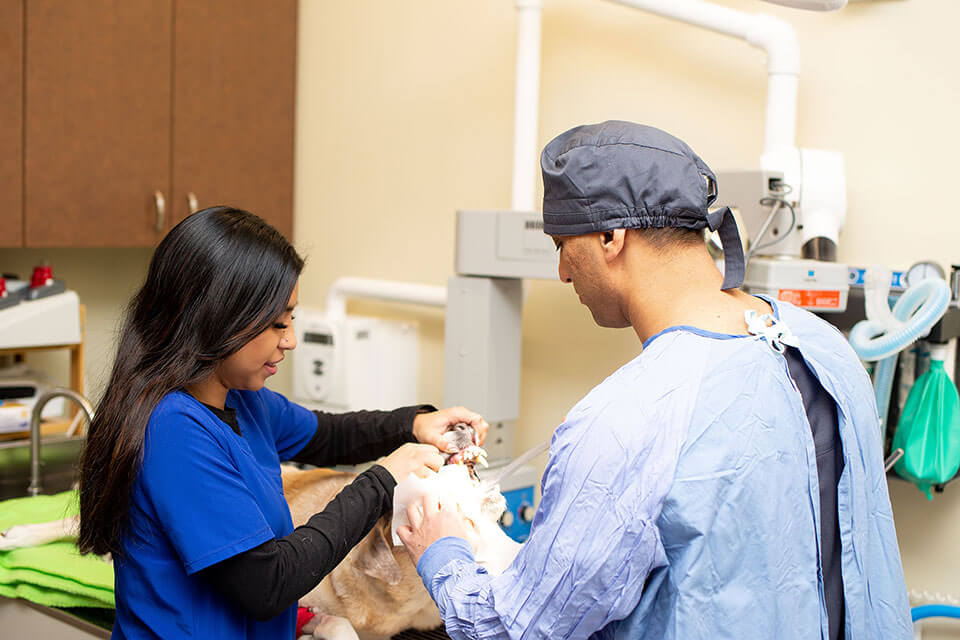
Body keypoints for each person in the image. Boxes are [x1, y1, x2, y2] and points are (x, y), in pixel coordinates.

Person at [398, 121, 913, 639]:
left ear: (609, 236)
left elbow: (516, 632)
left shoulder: (627, 419)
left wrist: (442, 553)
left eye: (561, 245)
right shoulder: (826, 346)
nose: (562, 272)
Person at [77, 206, 488, 638]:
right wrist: (383, 479)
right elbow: (267, 584)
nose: (290, 340)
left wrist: (416, 423)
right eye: (277, 324)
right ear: (217, 320)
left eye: (291, 319)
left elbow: (330, 434)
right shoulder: (173, 430)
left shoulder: (244, 401)